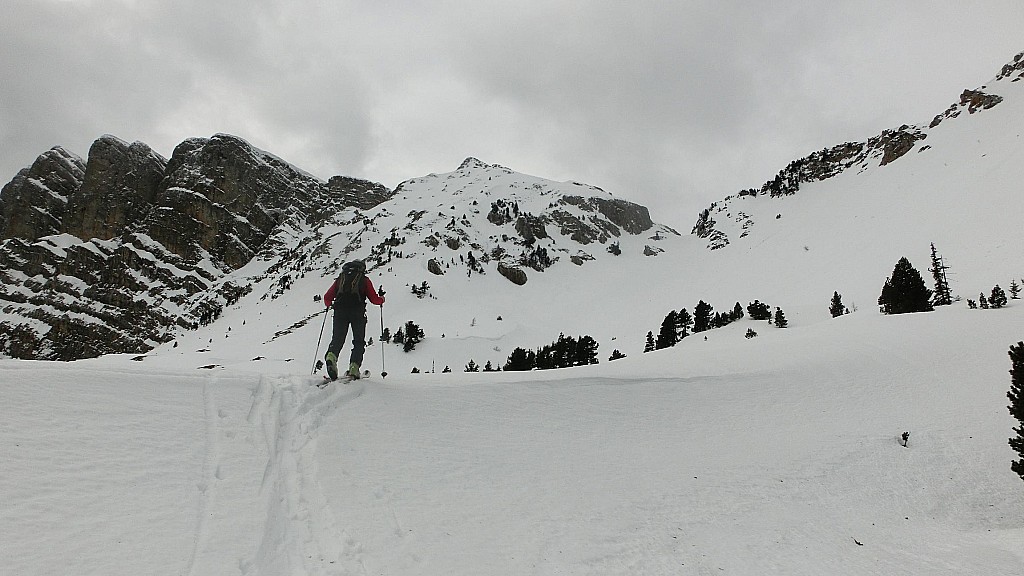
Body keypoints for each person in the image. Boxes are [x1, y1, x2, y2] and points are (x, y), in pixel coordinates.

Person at [323, 259, 384, 380]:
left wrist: (331, 305)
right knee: (358, 341)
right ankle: (354, 368)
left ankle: (331, 356)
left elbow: (327, 298)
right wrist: (382, 299)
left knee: (337, 339)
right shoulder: (364, 280)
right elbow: (374, 299)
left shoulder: (340, 279)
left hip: (340, 312)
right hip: (357, 313)